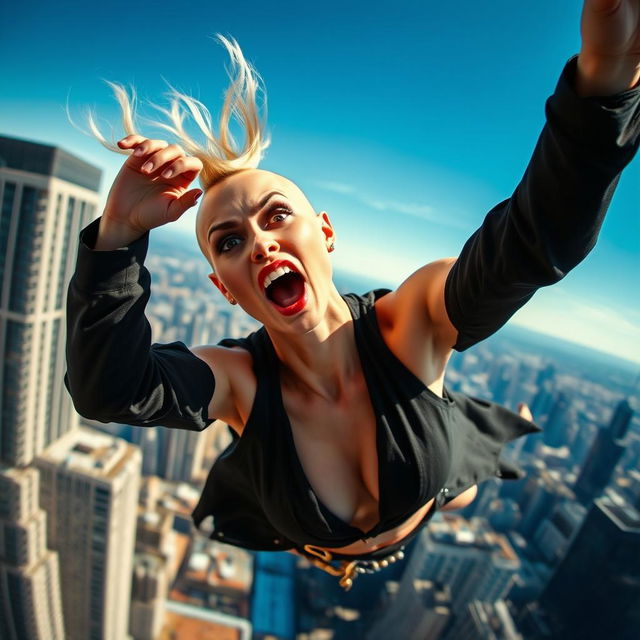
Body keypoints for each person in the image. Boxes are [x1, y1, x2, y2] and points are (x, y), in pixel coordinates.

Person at [65, 0, 640, 590]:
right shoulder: (237, 381)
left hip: (431, 492)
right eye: (230, 242)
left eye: (278, 216)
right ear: (224, 288)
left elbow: (529, 247)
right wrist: (119, 235)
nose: (261, 244)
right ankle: (480, 439)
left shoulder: (410, 321)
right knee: (454, 468)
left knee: (462, 483)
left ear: (326, 233)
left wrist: (605, 81)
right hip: (315, 542)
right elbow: (110, 391)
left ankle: (486, 437)